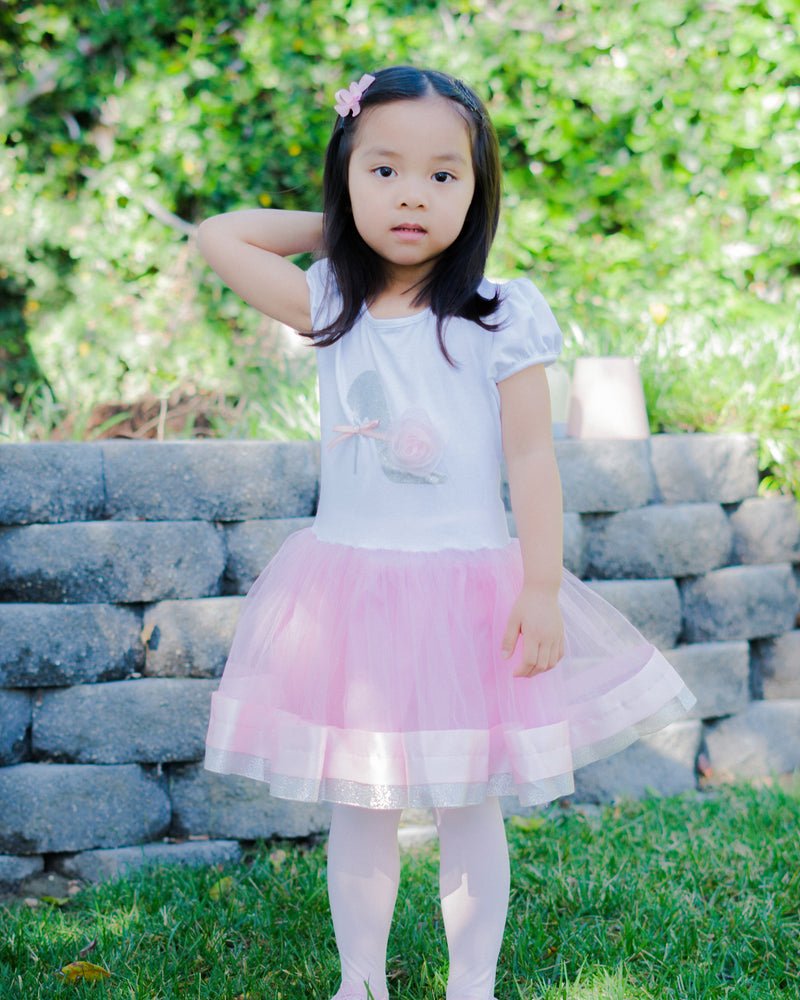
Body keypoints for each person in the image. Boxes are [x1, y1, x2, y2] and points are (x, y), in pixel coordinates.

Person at [199, 66, 694, 1000]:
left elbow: (532, 462)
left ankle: (472, 984)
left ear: (479, 190)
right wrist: (342, 230)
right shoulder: (330, 305)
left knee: (470, 804)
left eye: (442, 176)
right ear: (346, 178)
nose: (413, 197)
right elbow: (218, 236)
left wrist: (539, 588)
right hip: (350, 595)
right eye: (382, 171)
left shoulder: (499, 314)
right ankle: (360, 982)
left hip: (468, 594)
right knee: (363, 804)